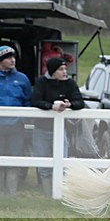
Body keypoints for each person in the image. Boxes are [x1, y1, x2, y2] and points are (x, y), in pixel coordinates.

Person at [30, 57, 85, 195]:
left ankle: (60, 194)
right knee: (43, 164)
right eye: (61, 69)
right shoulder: (42, 82)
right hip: (41, 130)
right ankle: (49, 194)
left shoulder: (70, 83)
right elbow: (35, 101)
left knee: (62, 163)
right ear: (53, 71)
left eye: (65, 69)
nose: (65, 72)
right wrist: (51, 107)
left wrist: (69, 105)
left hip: (61, 130)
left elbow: (80, 102)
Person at [0, 45, 32, 196]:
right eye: (8, 57)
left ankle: (11, 192)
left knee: (14, 158)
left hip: (16, 127)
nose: (12, 60)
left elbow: (27, 101)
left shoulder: (22, 79)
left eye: (13, 57)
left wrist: (23, 119)